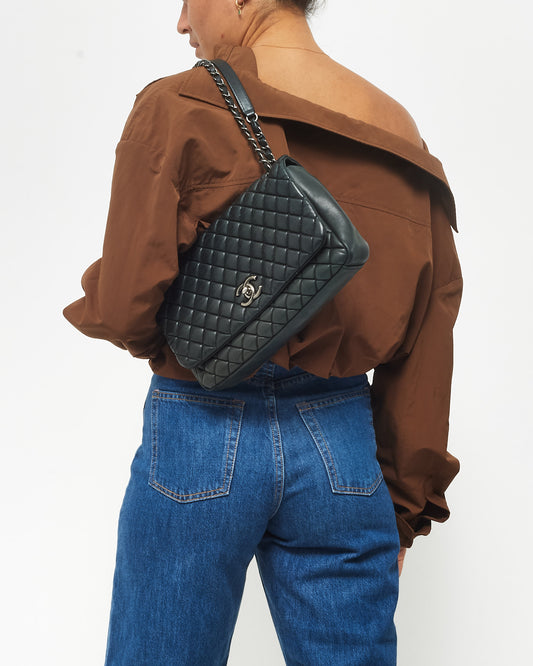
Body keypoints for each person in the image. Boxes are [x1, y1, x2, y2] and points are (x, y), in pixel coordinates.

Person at [62, 0, 462, 663]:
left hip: (200, 427)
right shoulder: (398, 131)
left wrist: (172, 333)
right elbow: (430, 327)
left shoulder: (179, 105)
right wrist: (402, 503)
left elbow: (127, 304)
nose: (182, 23)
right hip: (341, 448)